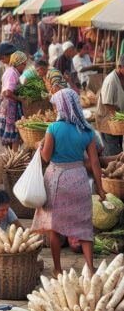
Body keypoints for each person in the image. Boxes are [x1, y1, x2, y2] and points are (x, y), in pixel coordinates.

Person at [32, 88, 105, 276]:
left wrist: (37, 147)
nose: (55, 108)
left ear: (62, 106)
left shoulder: (53, 128)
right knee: (84, 226)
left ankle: (57, 269)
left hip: (57, 179)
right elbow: (95, 162)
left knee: (54, 227)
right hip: (79, 179)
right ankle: (90, 267)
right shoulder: (87, 130)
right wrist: (101, 189)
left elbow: (46, 157)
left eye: (56, 105)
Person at [0, 51, 27, 149]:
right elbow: (8, 93)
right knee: (14, 135)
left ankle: (10, 156)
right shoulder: (12, 73)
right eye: (23, 64)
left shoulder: (11, 71)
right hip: (10, 107)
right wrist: (21, 99)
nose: (25, 66)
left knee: (10, 135)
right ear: (18, 63)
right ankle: (14, 157)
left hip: (7, 105)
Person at [97, 55, 124, 155]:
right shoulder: (111, 80)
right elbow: (107, 103)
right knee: (112, 151)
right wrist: (119, 116)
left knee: (119, 147)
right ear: (120, 67)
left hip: (118, 122)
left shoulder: (122, 77)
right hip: (107, 119)